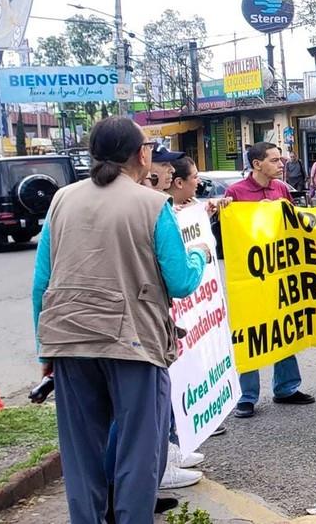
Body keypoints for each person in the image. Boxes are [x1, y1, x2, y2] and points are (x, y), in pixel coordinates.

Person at [32, 116, 211, 523]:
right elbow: (181, 281)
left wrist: (43, 347)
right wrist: (199, 251)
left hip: (68, 340)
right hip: (134, 343)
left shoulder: (61, 200)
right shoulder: (152, 204)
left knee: (81, 457)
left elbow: (41, 282)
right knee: (138, 454)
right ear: (141, 155)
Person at [225, 143, 316, 418]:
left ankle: (286, 387)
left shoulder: (282, 190)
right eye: (275, 160)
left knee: (284, 326)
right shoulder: (235, 193)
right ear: (256, 164)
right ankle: (246, 395)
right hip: (251, 275)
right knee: (251, 332)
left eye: (281, 159)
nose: (282, 164)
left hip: (280, 270)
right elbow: (229, 236)